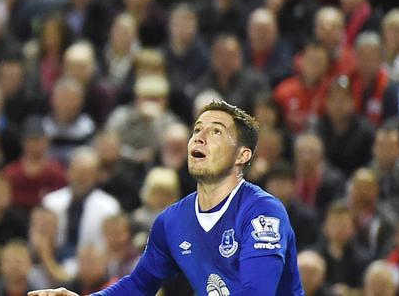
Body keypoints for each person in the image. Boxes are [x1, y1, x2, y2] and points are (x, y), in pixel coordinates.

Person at [28, 100, 302, 295]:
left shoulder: (262, 211)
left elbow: (256, 292)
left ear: (242, 155)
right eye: (197, 130)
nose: (200, 137)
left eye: (216, 131)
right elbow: (138, 286)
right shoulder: (172, 221)